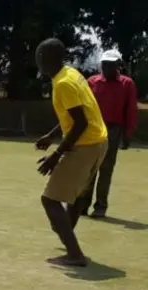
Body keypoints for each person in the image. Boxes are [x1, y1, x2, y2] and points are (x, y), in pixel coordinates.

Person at [34, 38, 109, 267]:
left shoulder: (63, 84)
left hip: (86, 144)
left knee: (50, 200)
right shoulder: (71, 74)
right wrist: (52, 135)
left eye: (39, 58)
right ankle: (68, 236)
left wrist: (56, 156)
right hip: (99, 141)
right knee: (75, 197)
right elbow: (76, 116)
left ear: (45, 60)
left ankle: (74, 254)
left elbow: (80, 124)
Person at [83, 50, 138, 218]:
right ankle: (82, 205)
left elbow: (130, 110)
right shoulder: (92, 82)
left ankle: (100, 207)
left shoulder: (127, 84)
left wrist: (127, 134)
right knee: (88, 169)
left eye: (111, 64)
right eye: (105, 64)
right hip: (92, 129)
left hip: (114, 129)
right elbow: (84, 106)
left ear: (117, 65)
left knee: (105, 169)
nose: (107, 67)